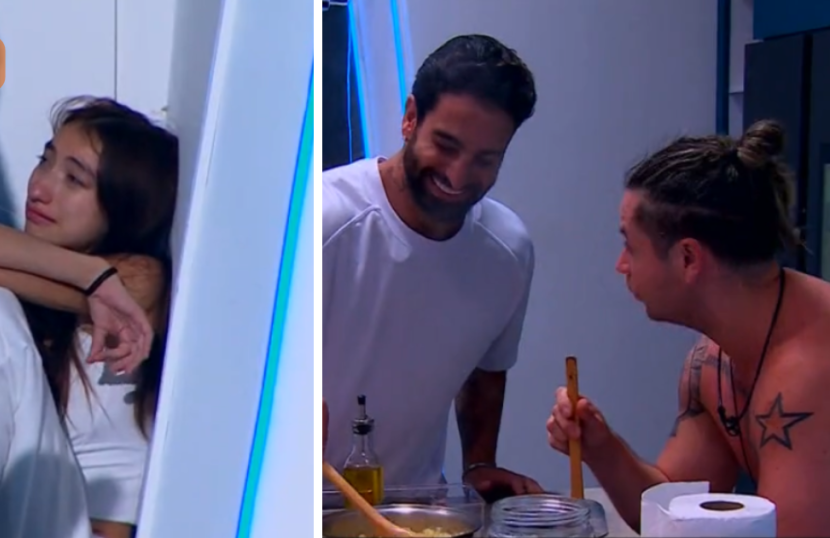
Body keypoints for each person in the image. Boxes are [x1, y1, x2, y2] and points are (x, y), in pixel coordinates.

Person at [0, 96, 177, 538]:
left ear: (122, 205)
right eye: (44, 160)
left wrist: (96, 280)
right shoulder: (80, 285)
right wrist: (89, 275)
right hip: (18, 523)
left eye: (74, 179)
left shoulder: (144, 280)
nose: (40, 188)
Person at [546, 119, 830, 536]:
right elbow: (672, 513)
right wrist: (600, 446)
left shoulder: (811, 371)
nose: (621, 265)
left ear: (688, 259)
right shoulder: (711, 361)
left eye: (630, 245)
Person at [322, 34, 543, 498]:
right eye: (446, 145)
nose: (458, 176)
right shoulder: (323, 223)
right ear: (410, 118)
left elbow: (486, 366)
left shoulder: (507, 251)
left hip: (418, 512)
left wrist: (479, 462)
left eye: (485, 159)